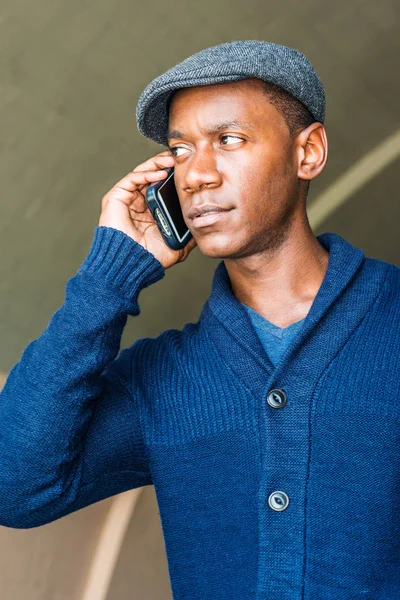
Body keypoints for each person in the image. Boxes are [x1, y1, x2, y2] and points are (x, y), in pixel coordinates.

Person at [0, 40, 399, 599]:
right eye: (181, 150)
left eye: (229, 140)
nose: (197, 176)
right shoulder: (160, 380)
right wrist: (110, 277)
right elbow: (14, 485)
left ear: (307, 152)